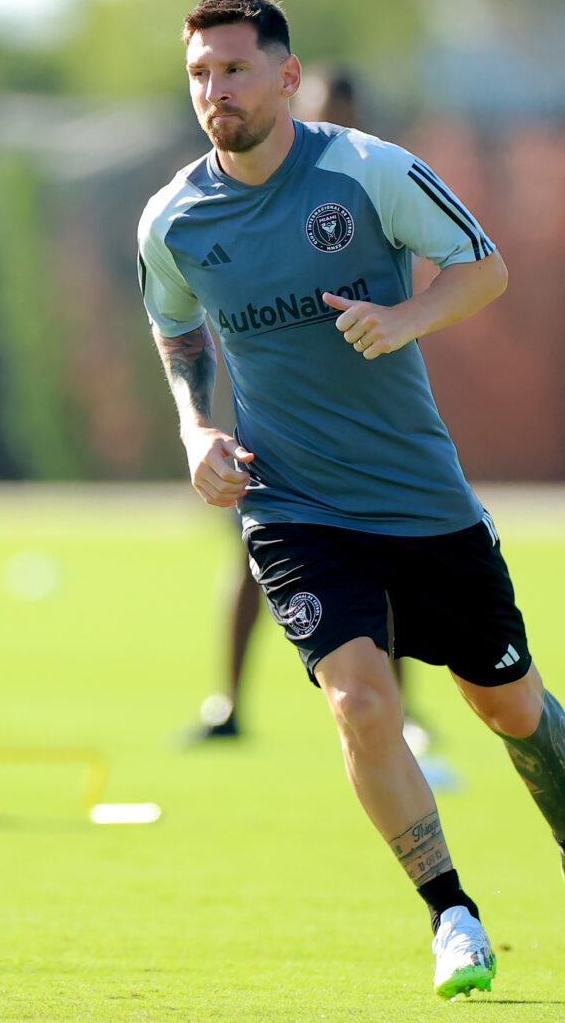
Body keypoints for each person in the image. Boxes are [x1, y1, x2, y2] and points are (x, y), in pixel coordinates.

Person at [136, 0, 565, 1000]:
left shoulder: (368, 174)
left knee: (509, 709)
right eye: (200, 74)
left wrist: (407, 317)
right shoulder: (173, 220)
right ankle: (451, 914)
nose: (215, 91)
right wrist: (198, 430)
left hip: (423, 503)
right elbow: (177, 330)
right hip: (293, 509)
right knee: (361, 704)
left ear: (287, 75)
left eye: (234, 69)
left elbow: (484, 268)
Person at [184, 67, 427, 750]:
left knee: (390, 563)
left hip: (369, 419)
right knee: (253, 560)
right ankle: (227, 704)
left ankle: (398, 713)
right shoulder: (262, 193)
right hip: (278, 423)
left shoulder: (374, 185)